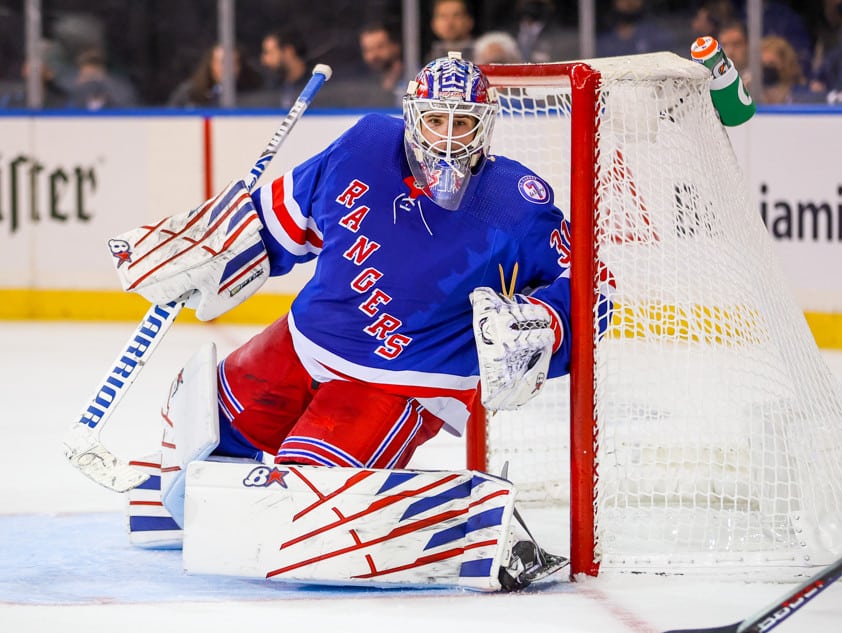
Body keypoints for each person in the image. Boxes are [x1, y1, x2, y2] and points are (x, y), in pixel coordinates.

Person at [121, 53, 579, 590]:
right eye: (436, 120)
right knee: (201, 438)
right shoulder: (362, 145)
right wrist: (212, 248)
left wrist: (544, 320)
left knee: (305, 492)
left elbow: (593, 290)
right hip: (301, 343)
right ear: (412, 116)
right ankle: (227, 508)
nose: (449, 138)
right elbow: (278, 220)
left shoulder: (518, 203)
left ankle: (463, 527)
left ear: (486, 125)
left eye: (463, 123)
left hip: (402, 381)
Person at [166, 43, 261, 108]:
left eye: (233, 63)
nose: (228, 69)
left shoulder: (252, 94)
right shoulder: (189, 93)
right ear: (211, 64)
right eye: (222, 62)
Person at [352, 20, 406, 107]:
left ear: (396, 46)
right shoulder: (358, 83)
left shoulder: (417, 78)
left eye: (380, 47)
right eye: (367, 50)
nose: (373, 56)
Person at [257, 27, 310, 109]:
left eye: (270, 53)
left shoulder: (319, 86)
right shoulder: (268, 88)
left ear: (288, 51)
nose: (264, 60)